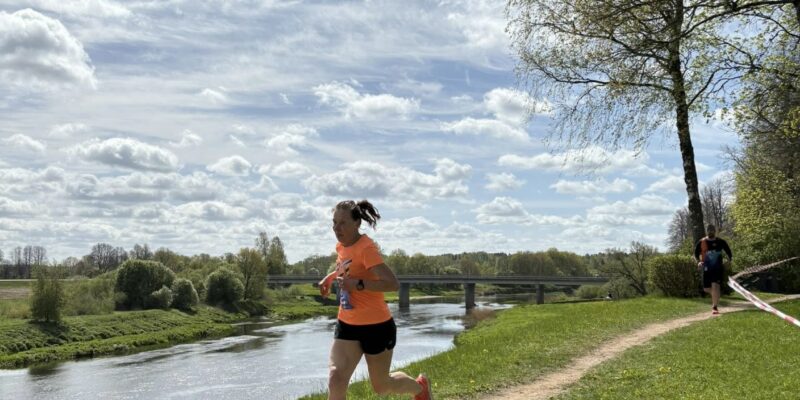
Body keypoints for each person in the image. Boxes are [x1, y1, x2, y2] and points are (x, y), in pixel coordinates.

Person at [318, 199, 433, 400]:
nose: (336, 228)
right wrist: (329, 278)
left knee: (382, 386)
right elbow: (347, 268)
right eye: (334, 222)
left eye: (343, 223)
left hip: (376, 326)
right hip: (347, 324)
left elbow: (392, 283)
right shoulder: (342, 246)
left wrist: (357, 285)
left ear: (357, 223)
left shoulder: (366, 248)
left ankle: (420, 387)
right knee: (336, 379)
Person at [693, 224, 733, 315]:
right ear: (707, 231)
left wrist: (728, 261)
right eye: (709, 230)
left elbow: (729, 252)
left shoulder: (720, 242)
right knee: (706, 289)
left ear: (715, 231)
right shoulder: (702, 242)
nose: (710, 232)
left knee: (715, 285)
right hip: (706, 268)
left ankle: (714, 307)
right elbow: (695, 254)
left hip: (717, 268)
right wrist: (698, 262)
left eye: (712, 230)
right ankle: (716, 295)